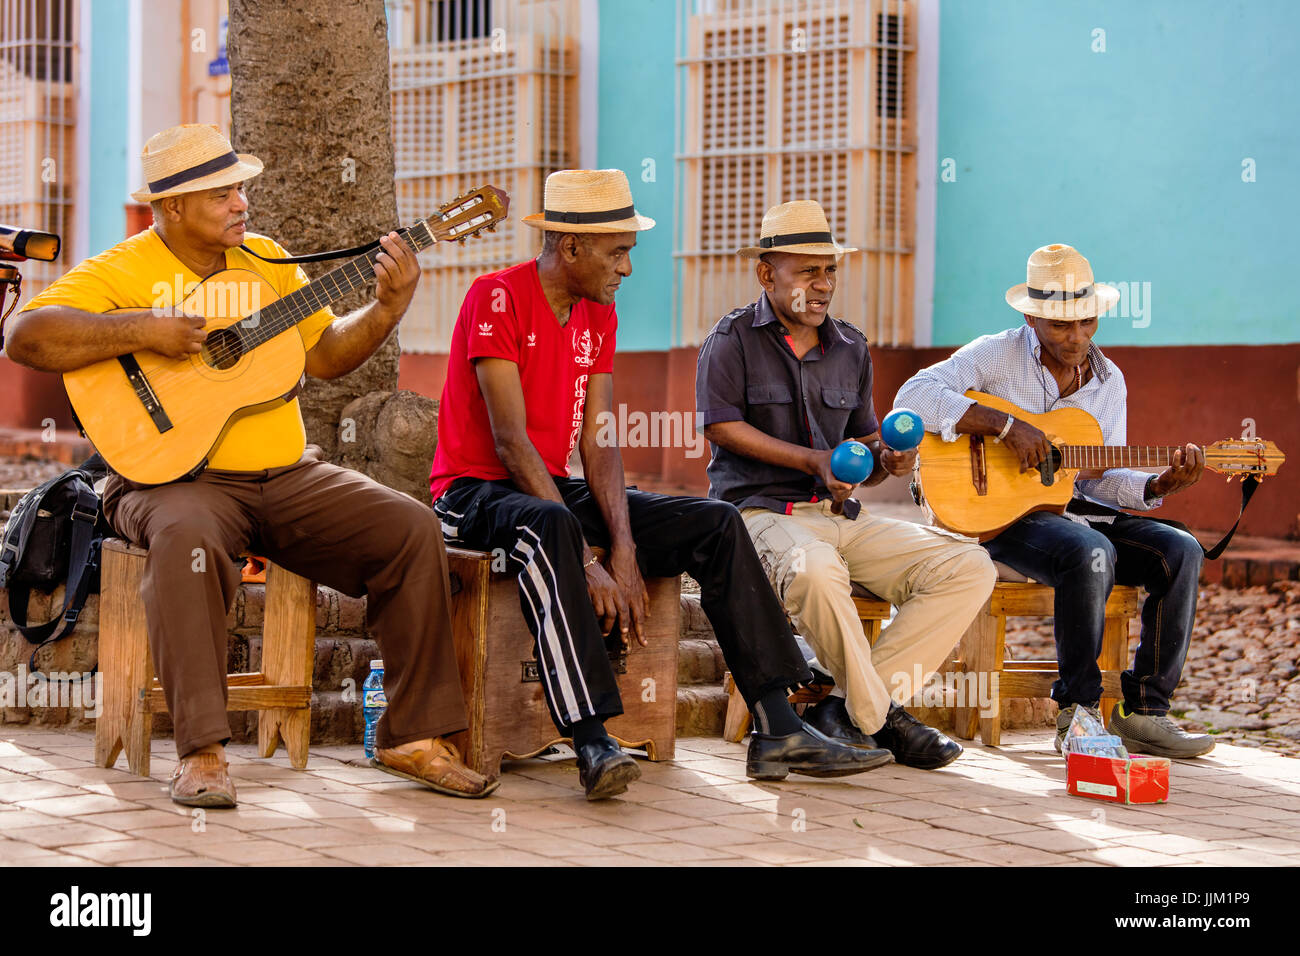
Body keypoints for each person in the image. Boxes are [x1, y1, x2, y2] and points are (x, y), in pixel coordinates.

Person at [4, 124, 495, 805]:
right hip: (167, 478)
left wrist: (388, 306)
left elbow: (326, 355)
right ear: (172, 207)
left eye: (241, 188)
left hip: (284, 476)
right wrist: (146, 328)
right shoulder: (124, 269)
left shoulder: (267, 261)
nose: (242, 202)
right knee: (188, 540)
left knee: (410, 528)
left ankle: (413, 737)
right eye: (223, 192)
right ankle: (202, 752)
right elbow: (25, 337)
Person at [429, 169, 893, 800]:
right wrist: (589, 567)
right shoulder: (497, 297)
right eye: (617, 252)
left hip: (547, 492)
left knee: (717, 523)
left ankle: (777, 722)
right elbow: (510, 442)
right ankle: (592, 738)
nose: (626, 268)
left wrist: (621, 547)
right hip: (471, 495)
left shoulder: (598, 314)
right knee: (554, 525)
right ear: (570, 247)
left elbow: (598, 440)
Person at [695, 200, 995, 770]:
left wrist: (891, 460)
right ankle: (885, 718)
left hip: (839, 519)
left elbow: (864, 452)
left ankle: (844, 713)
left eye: (829, 270)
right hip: (760, 517)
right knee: (816, 571)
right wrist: (814, 460)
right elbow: (720, 425)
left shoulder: (852, 348)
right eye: (807, 270)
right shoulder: (731, 339)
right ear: (767, 274)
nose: (823, 283)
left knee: (967, 567)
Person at [895, 243, 1213, 758]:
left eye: (1086, 323)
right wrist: (1005, 426)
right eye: (1062, 325)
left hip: (1074, 512)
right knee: (1090, 552)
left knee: (1183, 550)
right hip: (1002, 518)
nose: (1077, 337)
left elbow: (1095, 480)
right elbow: (911, 397)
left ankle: (1146, 712)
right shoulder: (994, 354)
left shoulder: (1110, 382)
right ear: (1031, 315)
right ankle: (1078, 713)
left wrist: (1158, 486)